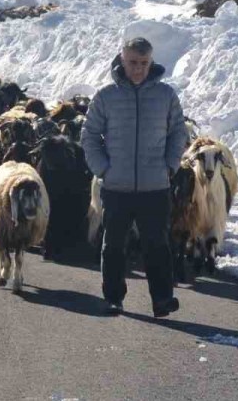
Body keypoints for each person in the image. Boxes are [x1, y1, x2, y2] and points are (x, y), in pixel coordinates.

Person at [81, 37, 187, 318]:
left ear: (151, 62)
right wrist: (103, 169)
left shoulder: (166, 96)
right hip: (117, 186)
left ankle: (162, 299)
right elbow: (90, 135)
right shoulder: (106, 96)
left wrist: (170, 165)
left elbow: (178, 132)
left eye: (143, 63)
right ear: (122, 60)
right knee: (114, 244)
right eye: (132, 63)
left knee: (158, 244)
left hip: (155, 185)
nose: (138, 69)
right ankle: (114, 297)